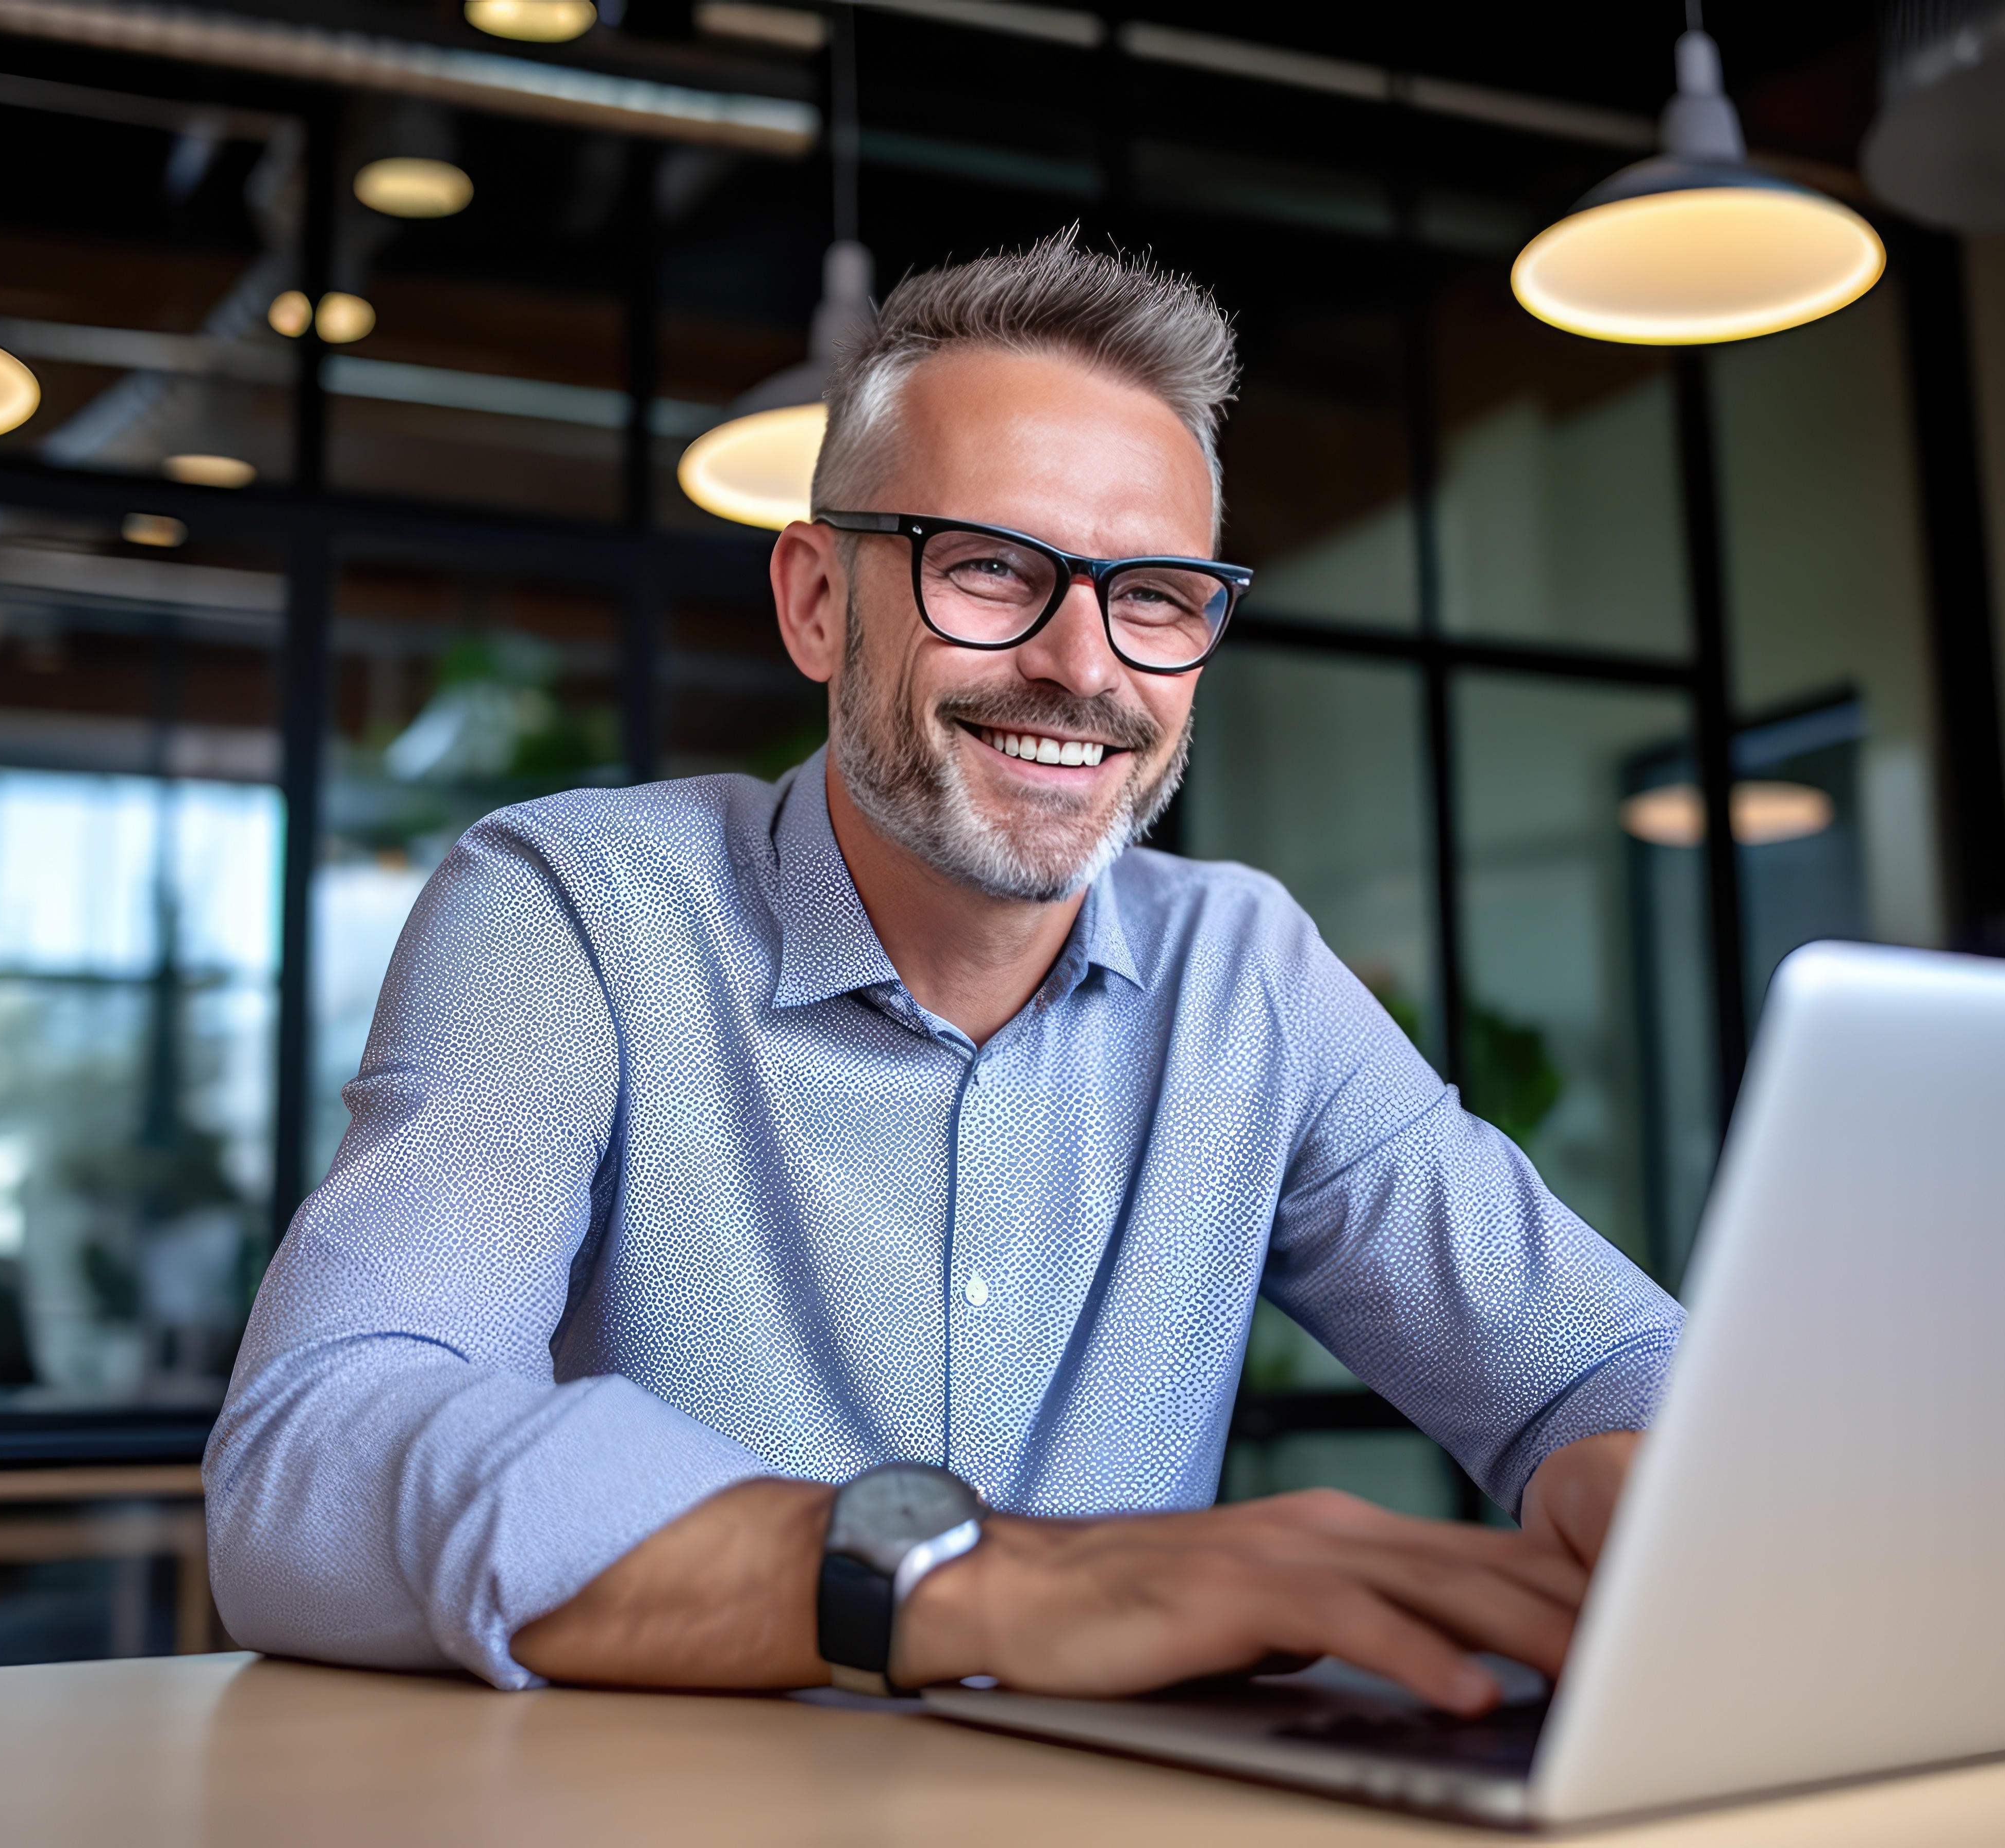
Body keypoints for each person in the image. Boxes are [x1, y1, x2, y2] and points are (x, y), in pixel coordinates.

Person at [206, 230, 1683, 1714]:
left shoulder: (1247, 974)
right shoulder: (575, 911)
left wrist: (1655, 1473)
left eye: (1157, 597)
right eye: (988, 567)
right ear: (817, 605)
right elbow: (312, 1468)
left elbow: (1604, 1371)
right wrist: (974, 1580)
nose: (1086, 667)